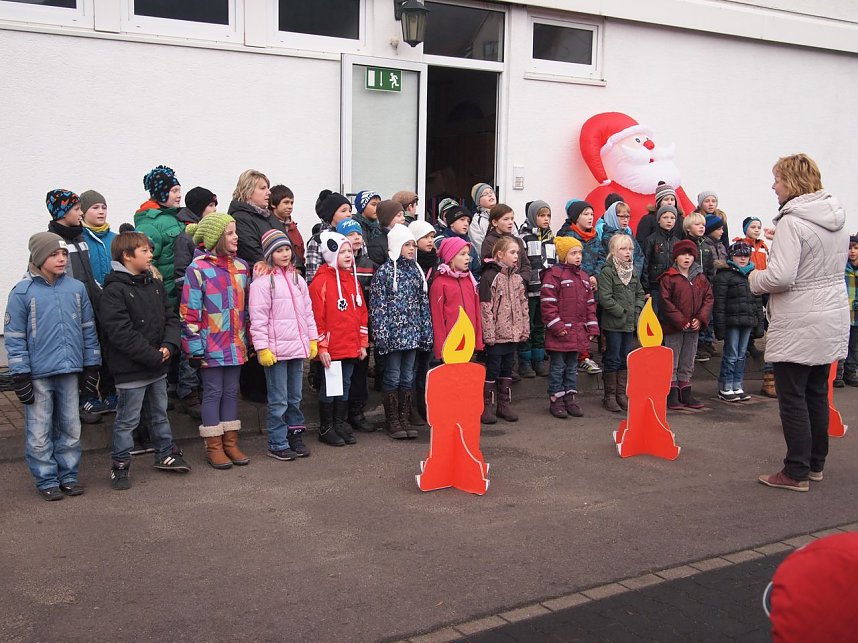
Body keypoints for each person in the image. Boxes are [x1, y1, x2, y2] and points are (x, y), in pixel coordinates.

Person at [751, 153, 849, 492]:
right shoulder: (834, 217)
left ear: (792, 182)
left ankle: (795, 472)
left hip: (800, 319)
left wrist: (754, 279)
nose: (773, 186)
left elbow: (781, 277)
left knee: (792, 397)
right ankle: (815, 464)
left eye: (777, 179)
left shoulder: (793, 222)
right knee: (816, 393)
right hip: (830, 315)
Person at [5, 232, 100, 500]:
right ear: (38, 258)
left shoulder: (76, 289)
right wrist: (20, 374)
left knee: (71, 427)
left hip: (70, 371)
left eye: (64, 254)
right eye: (54, 254)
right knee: (39, 430)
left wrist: (91, 365)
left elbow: (88, 329)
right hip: (38, 374)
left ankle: (68, 476)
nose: (61, 259)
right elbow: (14, 337)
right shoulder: (22, 292)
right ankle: (46, 478)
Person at [99, 232, 190, 491]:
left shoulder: (154, 284)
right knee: (127, 420)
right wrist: (152, 355)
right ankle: (120, 464)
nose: (151, 255)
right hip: (132, 371)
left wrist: (169, 346)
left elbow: (170, 318)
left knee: (159, 414)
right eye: (145, 251)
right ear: (127, 256)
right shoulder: (114, 291)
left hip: (158, 366)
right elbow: (120, 333)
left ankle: (165, 452)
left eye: (150, 250)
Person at [180, 213, 251, 469]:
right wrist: (194, 347)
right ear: (216, 238)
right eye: (230, 233)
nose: (236, 237)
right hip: (210, 344)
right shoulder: (197, 269)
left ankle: (231, 443)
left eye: (235, 232)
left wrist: (249, 339)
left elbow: (247, 309)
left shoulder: (242, 267)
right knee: (212, 392)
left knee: (231, 391)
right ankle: (214, 446)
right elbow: (189, 312)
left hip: (235, 343)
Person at [249, 229, 318, 461]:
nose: (285, 254)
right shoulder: (262, 284)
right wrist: (262, 348)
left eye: (287, 249)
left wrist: (312, 339)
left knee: (295, 397)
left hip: (296, 348)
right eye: (279, 250)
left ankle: (294, 435)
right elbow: (258, 319)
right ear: (270, 254)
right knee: (278, 400)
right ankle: (277, 442)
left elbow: (307, 313)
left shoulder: (298, 280)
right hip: (276, 352)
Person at [45, 189, 106, 422]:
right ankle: (76, 403)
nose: (81, 213)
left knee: (91, 350)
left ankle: (88, 396)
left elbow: (88, 275)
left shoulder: (80, 238)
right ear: (62, 212)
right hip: (68, 309)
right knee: (73, 353)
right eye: (77, 209)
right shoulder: (52, 242)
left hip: (89, 303)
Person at [370, 224, 433, 439]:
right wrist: (381, 336)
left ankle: (404, 417)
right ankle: (393, 420)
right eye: (407, 245)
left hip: (413, 336)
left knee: (408, 377)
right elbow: (378, 308)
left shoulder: (416, 272)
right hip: (393, 337)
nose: (412, 248)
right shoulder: (384, 273)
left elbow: (423, 304)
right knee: (393, 376)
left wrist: (426, 332)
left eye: (413, 245)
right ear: (396, 246)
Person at [309, 231, 368, 447]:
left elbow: (362, 313)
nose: (348, 256)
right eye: (342, 252)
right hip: (332, 348)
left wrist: (362, 343)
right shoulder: (321, 282)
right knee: (331, 387)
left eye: (349, 252)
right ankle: (326, 427)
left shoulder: (352, 281)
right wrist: (322, 347)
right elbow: (317, 318)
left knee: (345, 384)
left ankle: (339, 423)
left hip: (350, 346)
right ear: (331, 254)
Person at [172, 186, 218, 421]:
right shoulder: (186, 237)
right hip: (193, 300)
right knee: (190, 347)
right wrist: (191, 296)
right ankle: (188, 391)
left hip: (211, 301)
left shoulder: (210, 231)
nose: (214, 210)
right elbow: (181, 273)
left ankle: (201, 389)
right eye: (210, 205)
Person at [541, 237, 599, 418]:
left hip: (577, 333)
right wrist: (557, 326)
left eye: (580, 252)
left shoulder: (584, 277)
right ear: (563, 255)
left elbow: (590, 305)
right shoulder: (554, 275)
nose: (578, 256)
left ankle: (570, 398)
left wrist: (592, 328)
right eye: (573, 253)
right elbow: (548, 304)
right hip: (560, 333)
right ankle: (556, 399)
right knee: (558, 367)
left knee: (572, 368)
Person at [479, 236, 529, 424]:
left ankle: (503, 405)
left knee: (508, 368)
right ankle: (486, 406)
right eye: (512, 252)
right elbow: (486, 307)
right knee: (492, 369)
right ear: (500, 254)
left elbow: (523, 305)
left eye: (518, 253)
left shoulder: (517, 278)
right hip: (496, 335)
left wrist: (524, 329)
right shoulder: (490, 277)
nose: (516, 256)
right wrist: (489, 334)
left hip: (512, 334)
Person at [658, 239, 713, 410]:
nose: (687, 258)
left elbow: (708, 299)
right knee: (672, 359)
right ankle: (671, 391)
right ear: (676, 257)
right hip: (674, 327)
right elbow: (665, 302)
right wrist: (680, 321)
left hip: (693, 327)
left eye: (690, 254)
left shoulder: (701, 278)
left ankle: (685, 389)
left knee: (688, 359)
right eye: (683, 254)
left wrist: (700, 318)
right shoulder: (669, 277)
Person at [335, 218, 376, 433]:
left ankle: (357, 412)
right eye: (351, 235)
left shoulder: (369, 264)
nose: (357, 238)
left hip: (361, 328)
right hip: (341, 331)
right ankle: (338, 417)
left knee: (360, 373)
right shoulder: (335, 267)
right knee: (341, 376)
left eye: (359, 234)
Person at [712, 242, 765, 402]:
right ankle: (726, 386)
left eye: (745, 255)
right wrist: (719, 327)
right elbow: (719, 304)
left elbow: (757, 303)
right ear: (731, 256)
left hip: (748, 321)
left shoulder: (753, 275)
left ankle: (737, 385)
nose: (742, 258)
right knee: (731, 354)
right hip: (731, 322)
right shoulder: (723, 275)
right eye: (739, 255)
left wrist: (759, 324)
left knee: (741, 355)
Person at [598, 234, 644, 412]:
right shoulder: (607, 271)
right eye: (623, 249)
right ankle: (609, 396)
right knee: (612, 358)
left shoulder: (633, 271)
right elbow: (605, 298)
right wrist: (621, 312)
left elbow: (640, 293)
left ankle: (621, 394)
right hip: (613, 324)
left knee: (625, 358)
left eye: (630, 249)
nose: (628, 252)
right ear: (614, 251)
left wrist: (636, 311)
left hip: (629, 324)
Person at [557, 199, 602, 375]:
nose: (590, 217)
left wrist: (595, 276)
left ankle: (584, 355)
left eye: (592, 214)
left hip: (591, 285)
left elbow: (601, 257)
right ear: (576, 217)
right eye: (586, 214)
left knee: (587, 320)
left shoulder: (595, 237)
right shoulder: (568, 236)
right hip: (573, 286)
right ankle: (572, 357)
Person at [134, 165, 183, 307]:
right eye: (174, 191)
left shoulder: (174, 216)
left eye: (179, 190)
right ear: (161, 193)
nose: (179, 195)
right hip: (167, 294)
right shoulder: (149, 223)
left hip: (180, 290)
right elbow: (148, 263)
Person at [429, 236, 484, 362]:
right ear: (451, 257)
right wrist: (441, 349)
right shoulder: (440, 283)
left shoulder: (469, 280)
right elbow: (437, 318)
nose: (467, 258)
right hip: (450, 343)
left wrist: (477, 341)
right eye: (462, 254)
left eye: (468, 254)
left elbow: (476, 313)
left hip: (468, 341)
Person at [519, 200, 557, 378]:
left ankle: (538, 360)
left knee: (540, 325)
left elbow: (554, 262)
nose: (546, 219)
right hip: (529, 289)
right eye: (541, 216)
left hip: (545, 290)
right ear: (533, 217)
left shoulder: (551, 238)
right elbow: (522, 263)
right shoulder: (524, 237)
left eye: (548, 215)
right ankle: (525, 362)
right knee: (527, 325)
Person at [408, 218, 438, 424]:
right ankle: (410, 408)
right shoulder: (411, 266)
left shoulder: (436, 265)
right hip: (412, 325)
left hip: (430, 324)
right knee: (411, 368)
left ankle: (423, 405)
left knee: (424, 368)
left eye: (432, 237)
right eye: (425, 237)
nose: (430, 241)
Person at [733, 216, 770, 362]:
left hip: (763, 284)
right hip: (748, 284)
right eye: (753, 227)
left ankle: (766, 337)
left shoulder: (763, 247)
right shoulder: (741, 245)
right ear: (745, 229)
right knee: (749, 315)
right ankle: (749, 344)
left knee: (766, 314)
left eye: (758, 227)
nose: (756, 230)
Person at [228, 169, 276, 265]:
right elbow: (253, 253)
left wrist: (296, 267)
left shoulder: (269, 215)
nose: (269, 192)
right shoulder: (240, 218)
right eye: (263, 188)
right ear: (248, 191)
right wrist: (278, 268)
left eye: (268, 188)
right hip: (261, 271)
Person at [305, 189, 352, 282]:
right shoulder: (318, 240)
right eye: (343, 211)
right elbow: (312, 275)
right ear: (330, 214)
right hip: (328, 287)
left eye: (350, 211)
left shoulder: (354, 235)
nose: (349, 214)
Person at [641, 204, 678, 313]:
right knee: (655, 315)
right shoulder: (651, 240)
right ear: (658, 220)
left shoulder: (677, 242)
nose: (669, 221)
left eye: (672, 218)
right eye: (665, 217)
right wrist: (646, 288)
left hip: (673, 287)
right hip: (655, 286)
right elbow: (645, 265)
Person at [79, 190, 117, 287]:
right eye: (95, 208)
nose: (101, 212)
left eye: (104, 208)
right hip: (89, 293)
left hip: (115, 292)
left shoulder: (116, 238)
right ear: (83, 212)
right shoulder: (78, 239)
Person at [433, 204, 481, 277]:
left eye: (468, 221)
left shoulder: (470, 245)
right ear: (451, 223)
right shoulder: (440, 242)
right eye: (462, 220)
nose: (466, 224)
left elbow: (477, 271)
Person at [598, 201, 644, 276]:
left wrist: (634, 274)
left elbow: (639, 256)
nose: (625, 220)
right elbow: (603, 259)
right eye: (622, 217)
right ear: (613, 216)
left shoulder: (629, 236)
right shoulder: (606, 237)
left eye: (627, 217)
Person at [835, 236, 858, 387]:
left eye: (855, 248)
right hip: (842, 313)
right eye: (849, 248)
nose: (852, 251)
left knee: (853, 346)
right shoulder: (842, 268)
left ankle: (850, 373)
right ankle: (837, 375)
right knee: (840, 344)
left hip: (856, 315)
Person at [269, 185, 305, 270]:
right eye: (286, 202)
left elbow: (301, 254)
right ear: (273, 204)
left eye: (291, 203)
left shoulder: (293, 227)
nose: (290, 206)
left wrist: (300, 270)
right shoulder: (267, 225)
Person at [365, 198, 405, 268]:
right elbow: (377, 269)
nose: (403, 218)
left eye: (403, 215)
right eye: (399, 215)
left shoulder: (405, 237)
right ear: (388, 218)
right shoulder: (376, 244)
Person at [469, 182, 497, 251]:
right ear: (478, 201)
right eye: (485, 194)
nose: (490, 195)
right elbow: (479, 245)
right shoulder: (476, 221)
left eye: (491, 192)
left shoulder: (504, 214)